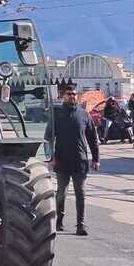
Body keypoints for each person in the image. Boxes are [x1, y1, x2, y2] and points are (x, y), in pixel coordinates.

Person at [44, 84, 100, 236]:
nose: (72, 96)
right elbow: (48, 137)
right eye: (69, 94)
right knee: (61, 192)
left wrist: (96, 158)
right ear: (63, 96)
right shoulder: (57, 114)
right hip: (61, 161)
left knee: (80, 193)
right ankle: (58, 222)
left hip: (80, 161)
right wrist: (50, 157)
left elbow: (93, 138)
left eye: (74, 94)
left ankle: (80, 225)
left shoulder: (84, 115)